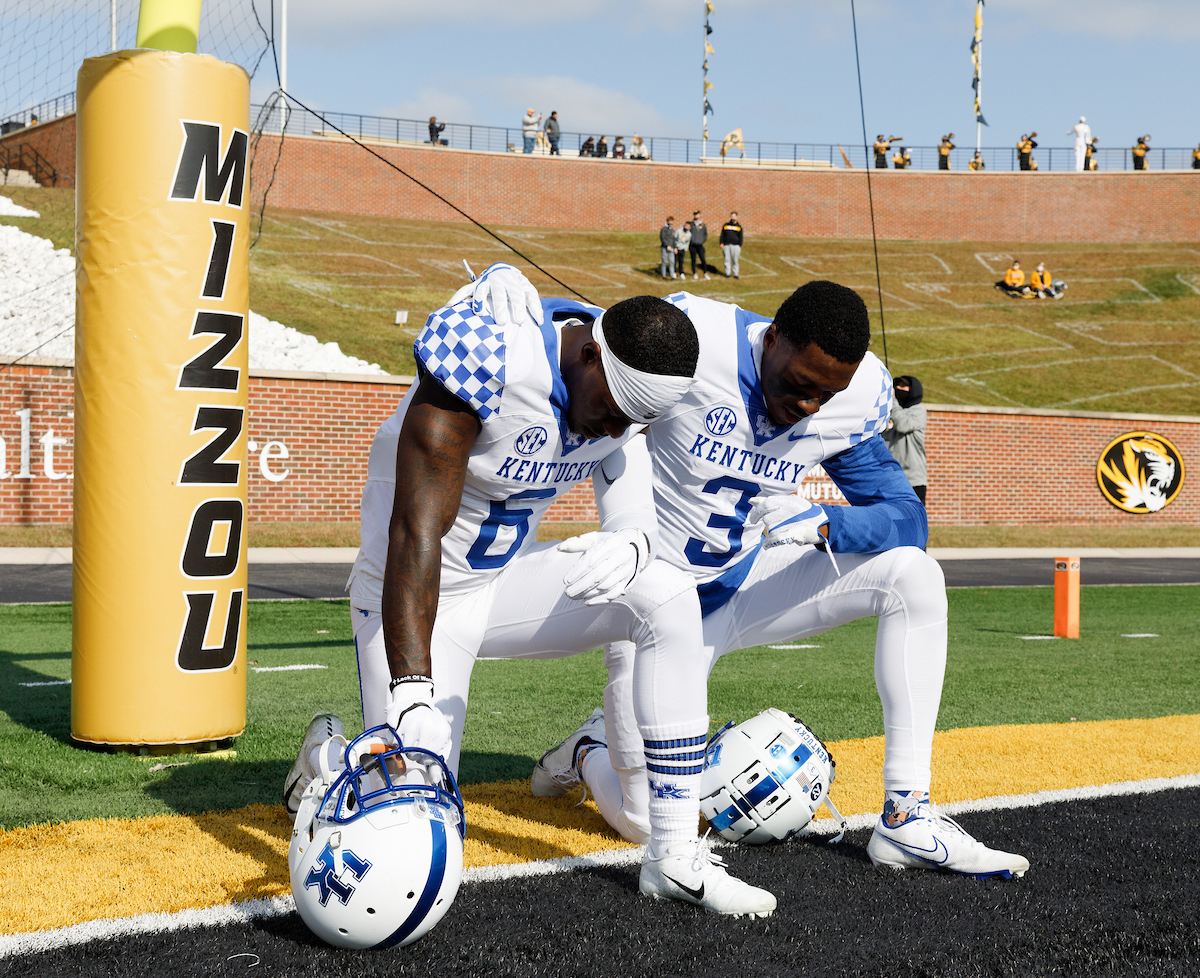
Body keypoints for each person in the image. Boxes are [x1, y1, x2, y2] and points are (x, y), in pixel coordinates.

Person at [287, 266, 775, 917]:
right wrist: (412, 694)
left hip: (502, 587)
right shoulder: (491, 355)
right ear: (590, 354)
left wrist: (633, 535)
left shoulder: (619, 390)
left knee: (666, 594)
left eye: (633, 419)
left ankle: (675, 858)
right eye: (611, 409)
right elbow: (416, 532)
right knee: (421, 842)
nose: (610, 430)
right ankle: (326, 755)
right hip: (408, 598)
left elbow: (622, 461)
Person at [532, 280, 1030, 881]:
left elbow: (908, 519)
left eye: (830, 393)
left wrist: (829, 520)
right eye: (801, 386)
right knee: (651, 824)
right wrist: (519, 306)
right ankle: (590, 752)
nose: (812, 406)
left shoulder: (848, 396)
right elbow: (583, 343)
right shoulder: (696, 343)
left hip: (743, 584)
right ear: (771, 340)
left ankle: (906, 815)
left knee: (915, 577)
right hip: (657, 610)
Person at [882, 376, 927, 505]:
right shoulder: (894, 412)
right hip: (893, 477)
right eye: (897, 386)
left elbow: (903, 425)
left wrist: (893, 402)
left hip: (913, 479)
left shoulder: (918, 411)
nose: (898, 389)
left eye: (904, 386)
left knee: (914, 520)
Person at [689, 210, 710, 280]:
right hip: (693, 245)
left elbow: (705, 234)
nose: (696, 216)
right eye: (695, 214)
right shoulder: (691, 225)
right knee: (693, 260)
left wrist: (702, 241)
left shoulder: (703, 225)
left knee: (703, 259)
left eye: (697, 214)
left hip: (700, 245)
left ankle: (705, 273)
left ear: (699, 215)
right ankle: (694, 273)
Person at [720, 212, 743, 278]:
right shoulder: (726, 225)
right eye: (732, 216)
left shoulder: (739, 227)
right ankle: (727, 273)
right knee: (727, 260)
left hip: (736, 246)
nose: (733, 217)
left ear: (737, 217)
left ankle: (735, 274)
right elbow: (722, 235)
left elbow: (741, 237)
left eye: (734, 216)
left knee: (735, 260)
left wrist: (739, 245)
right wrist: (721, 243)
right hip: (726, 245)